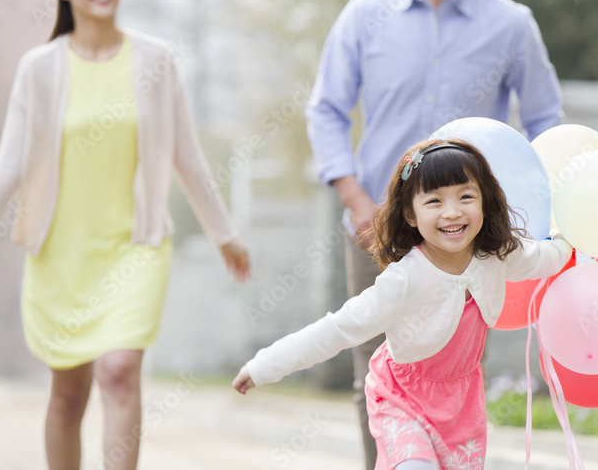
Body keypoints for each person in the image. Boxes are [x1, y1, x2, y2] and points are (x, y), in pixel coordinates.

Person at [0, 0, 251, 470]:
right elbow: (8, 165)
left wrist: (223, 233)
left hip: (136, 247)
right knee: (68, 396)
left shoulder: (155, 59)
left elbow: (188, 157)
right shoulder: (39, 68)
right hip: (61, 255)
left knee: (119, 371)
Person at [305, 0, 564, 467]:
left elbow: (547, 117)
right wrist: (353, 199)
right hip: (377, 227)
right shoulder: (364, 14)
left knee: (454, 376)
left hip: (465, 237)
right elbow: (326, 109)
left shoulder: (512, 24)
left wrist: (536, 209)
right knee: (375, 373)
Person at [233, 139, 572, 470]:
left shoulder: (496, 255)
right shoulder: (403, 281)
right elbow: (337, 329)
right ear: (410, 214)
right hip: (401, 398)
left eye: (466, 197)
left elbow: (545, 258)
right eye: (435, 201)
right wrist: (264, 366)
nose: (453, 211)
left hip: (461, 403)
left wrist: (571, 236)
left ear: (485, 202)